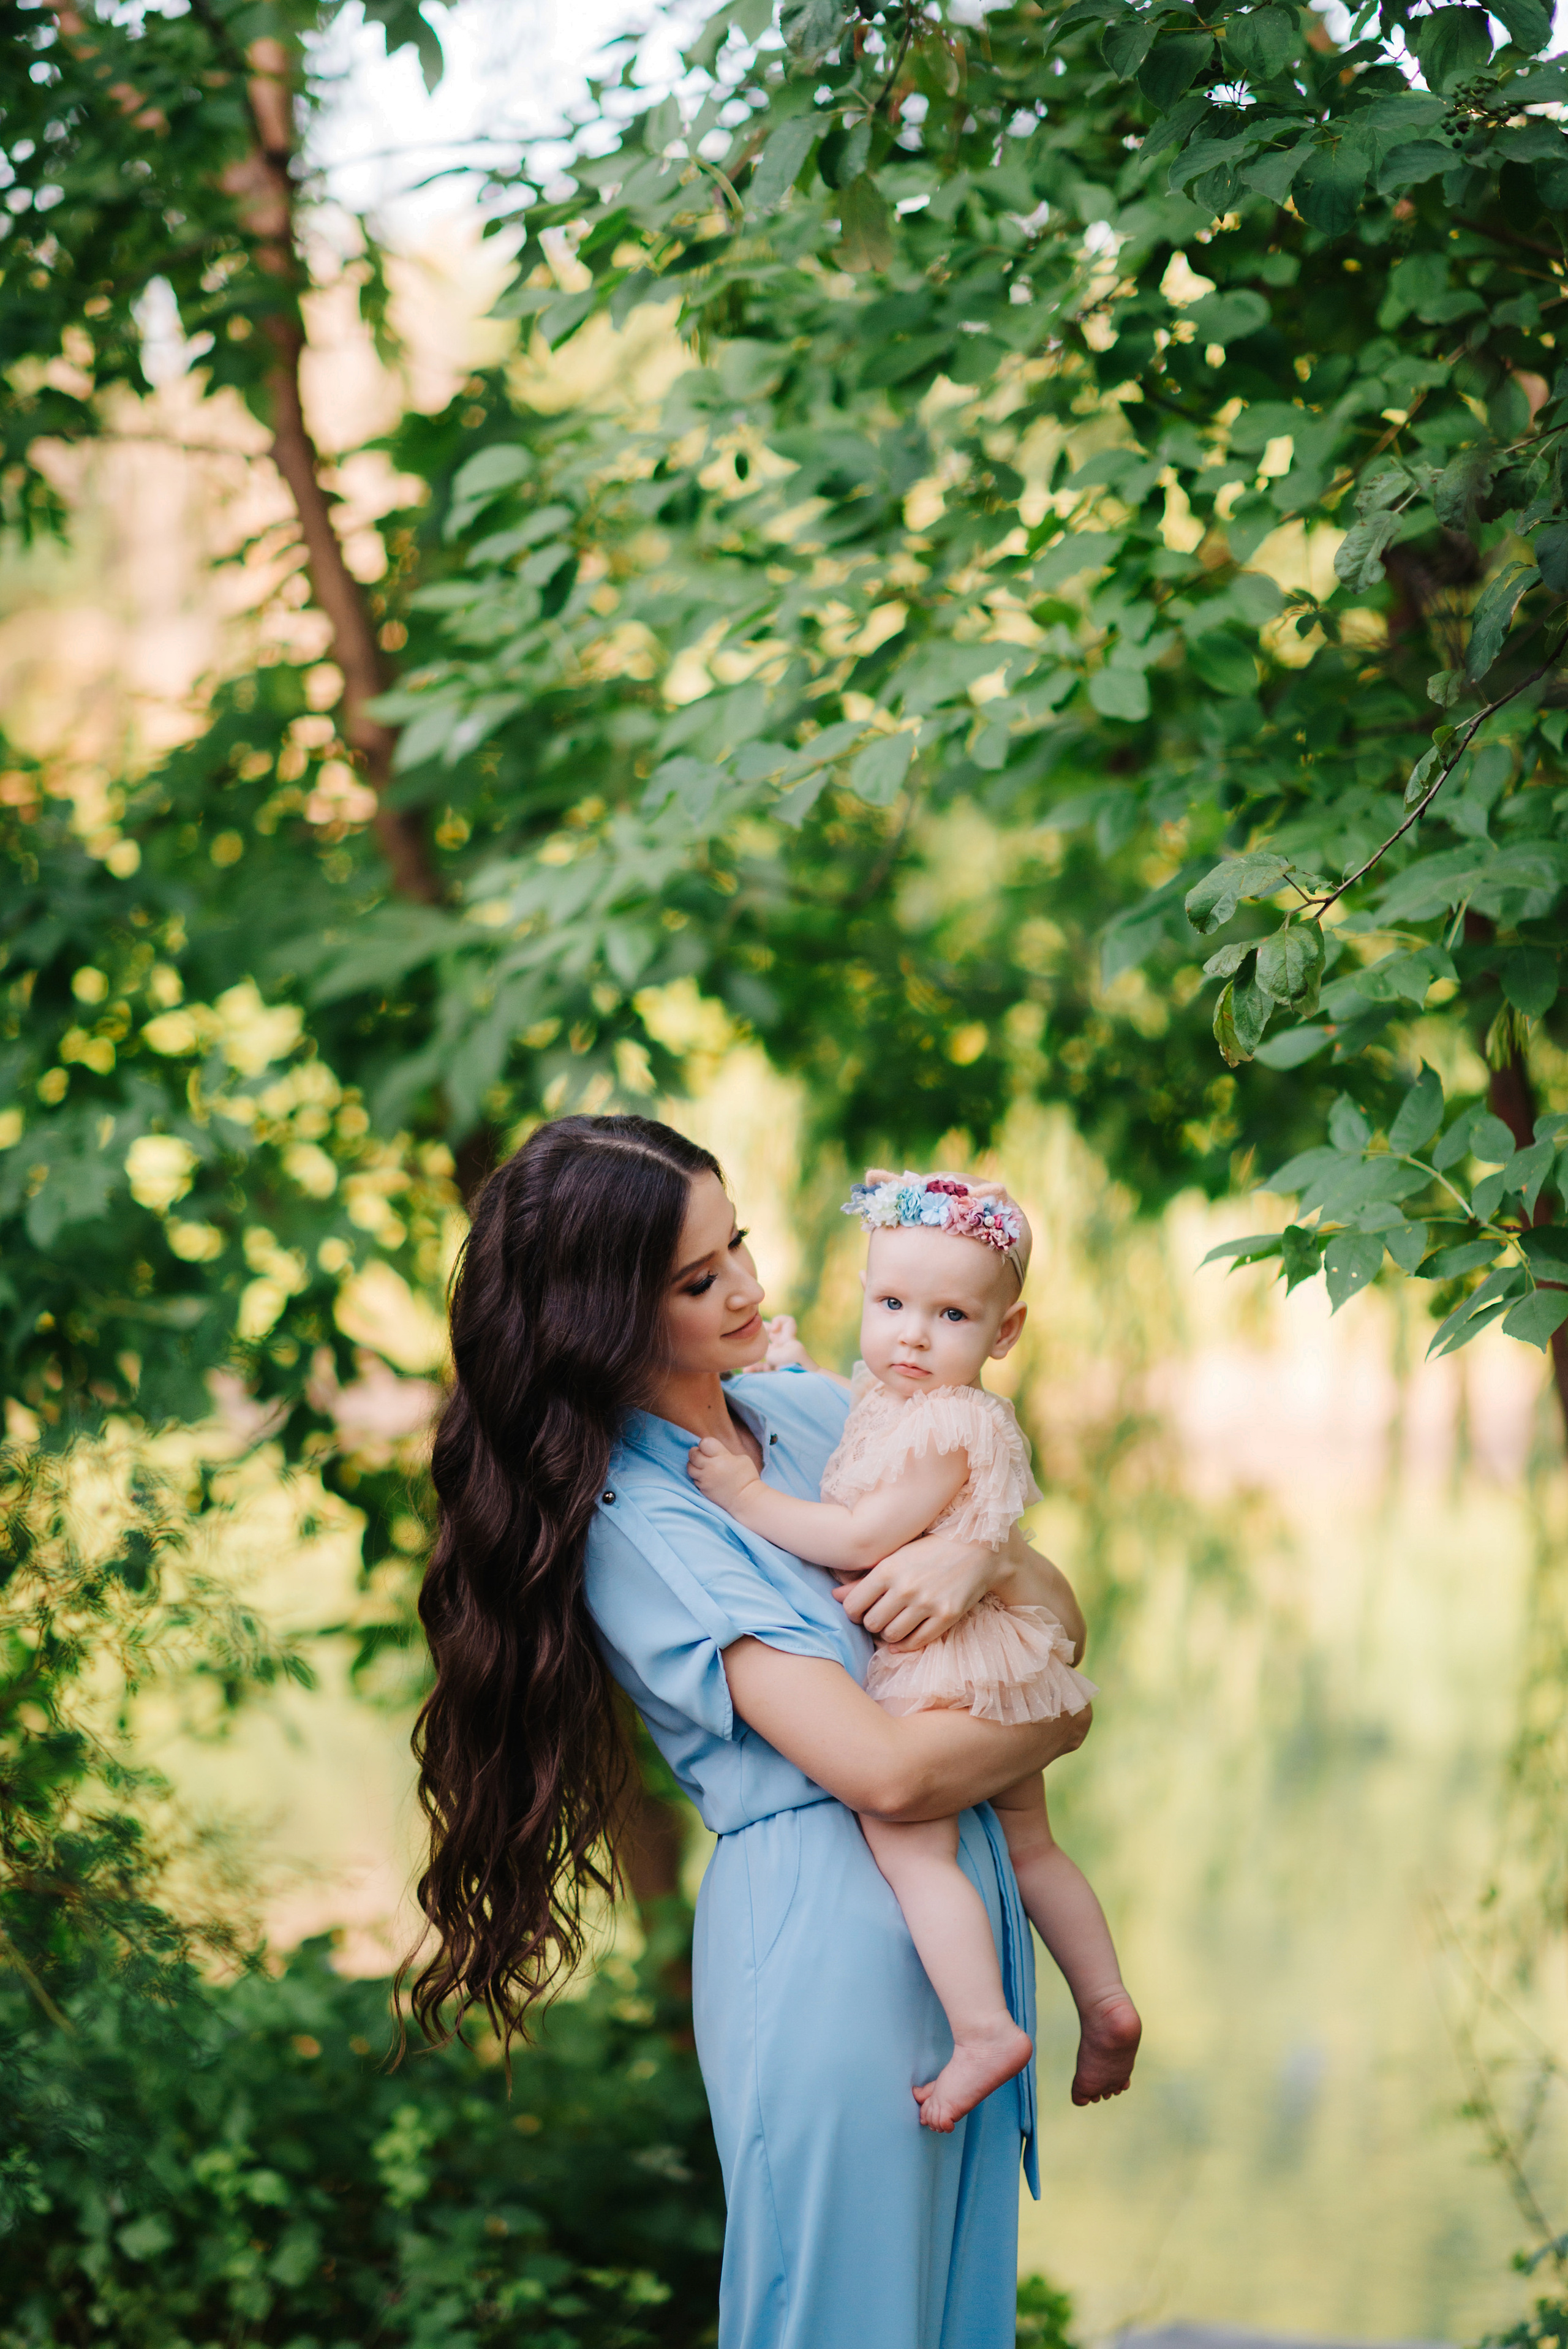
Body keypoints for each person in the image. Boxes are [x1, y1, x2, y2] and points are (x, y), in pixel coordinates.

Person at [407, 1114, 1093, 2349]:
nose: (750, 1289)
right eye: (696, 1278)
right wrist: (1060, 1725)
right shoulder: (640, 1519)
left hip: (962, 1924)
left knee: (948, 2323)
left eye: (737, 1246)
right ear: (599, 1315)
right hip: (822, 1941)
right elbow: (880, 1766)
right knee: (838, 2321)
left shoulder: (813, 1413)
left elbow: (1056, 1609)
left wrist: (978, 1555)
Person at [689, 1167, 1140, 2130]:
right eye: (891, 1303)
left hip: (945, 1672)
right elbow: (858, 1445)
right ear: (861, 1292)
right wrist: (782, 1371)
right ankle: (1104, 2001)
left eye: (949, 1316)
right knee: (1031, 1845)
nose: (912, 1335)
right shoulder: (903, 1403)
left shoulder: (947, 1422)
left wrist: (743, 1498)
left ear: (1003, 1334)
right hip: (998, 1661)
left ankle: (984, 2030)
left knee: (914, 1851)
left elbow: (857, 1540)